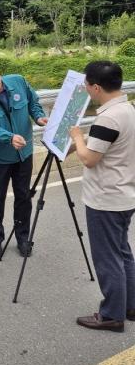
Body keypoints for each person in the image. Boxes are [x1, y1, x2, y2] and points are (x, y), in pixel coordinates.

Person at [69, 61, 135, 332]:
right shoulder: (129, 109)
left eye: (86, 85)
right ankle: (130, 305)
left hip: (106, 199)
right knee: (122, 253)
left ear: (96, 87)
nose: (85, 89)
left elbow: (89, 159)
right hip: (126, 194)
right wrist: (86, 139)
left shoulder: (107, 118)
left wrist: (76, 136)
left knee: (107, 258)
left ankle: (111, 315)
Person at [0, 58, 47, 258]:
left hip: (24, 153)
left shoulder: (18, 81)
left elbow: (33, 102)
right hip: (0, 157)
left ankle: (23, 238)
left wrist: (39, 117)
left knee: (23, 196)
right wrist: (9, 137)